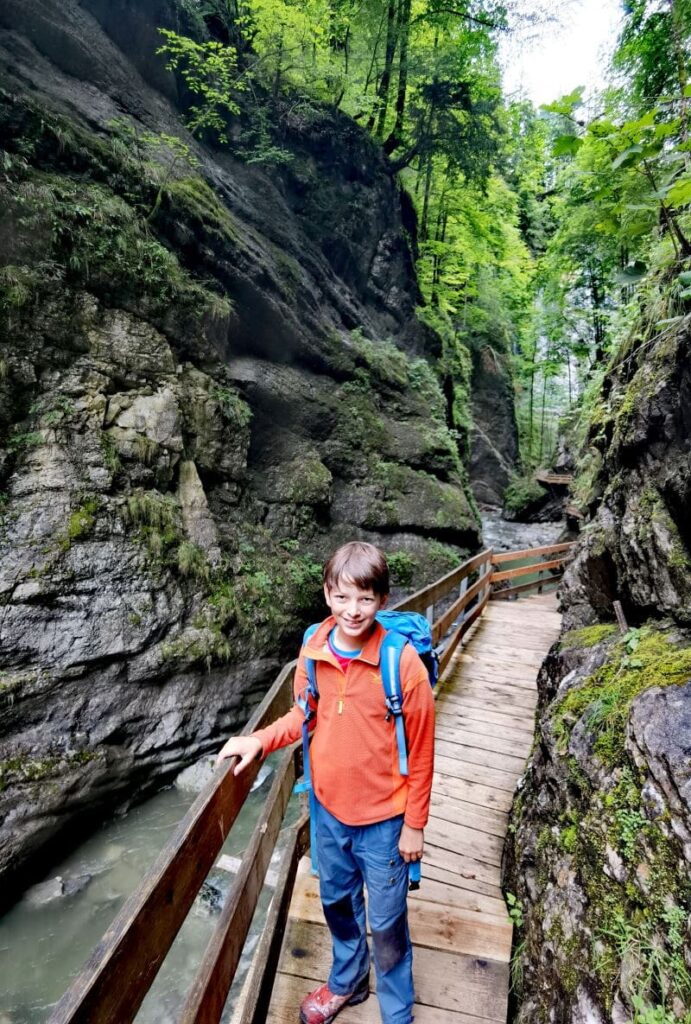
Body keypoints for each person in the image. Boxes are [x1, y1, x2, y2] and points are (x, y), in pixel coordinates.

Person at [216, 541, 435, 1024]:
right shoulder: (314, 647)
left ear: (382, 600)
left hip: (384, 822)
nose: (352, 611)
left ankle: (397, 1012)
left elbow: (422, 752)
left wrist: (414, 825)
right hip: (329, 813)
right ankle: (347, 982)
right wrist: (260, 740)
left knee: (387, 921)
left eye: (365, 599)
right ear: (327, 595)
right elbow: (303, 713)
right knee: (337, 903)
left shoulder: (403, 666)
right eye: (341, 598)